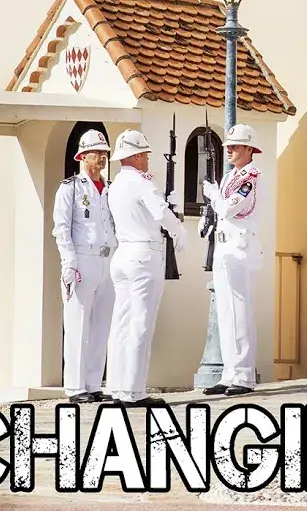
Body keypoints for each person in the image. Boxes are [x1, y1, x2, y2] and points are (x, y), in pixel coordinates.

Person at [105, 129, 187, 407]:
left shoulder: (115, 184)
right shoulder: (140, 183)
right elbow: (160, 213)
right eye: (146, 154)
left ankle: (117, 388)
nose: (148, 160)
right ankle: (134, 392)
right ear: (137, 156)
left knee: (121, 325)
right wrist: (178, 230)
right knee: (141, 324)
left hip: (123, 253)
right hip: (143, 254)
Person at [51, 129, 117, 404]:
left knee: (102, 325)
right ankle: (76, 387)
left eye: (104, 153)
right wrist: (68, 262)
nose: (102, 158)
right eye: (96, 153)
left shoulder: (110, 189)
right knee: (78, 324)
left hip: (108, 259)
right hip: (82, 259)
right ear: (82, 156)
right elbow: (61, 228)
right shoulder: (71, 188)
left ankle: (93, 382)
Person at [199, 124, 264, 396]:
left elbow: (229, 207)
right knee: (225, 313)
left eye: (236, 146)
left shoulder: (251, 177)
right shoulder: (228, 178)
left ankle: (244, 376)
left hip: (240, 249)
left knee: (239, 313)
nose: (230, 150)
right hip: (223, 249)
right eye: (228, 146)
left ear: (249, 149)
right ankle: (229, 373)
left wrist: (212, 194)